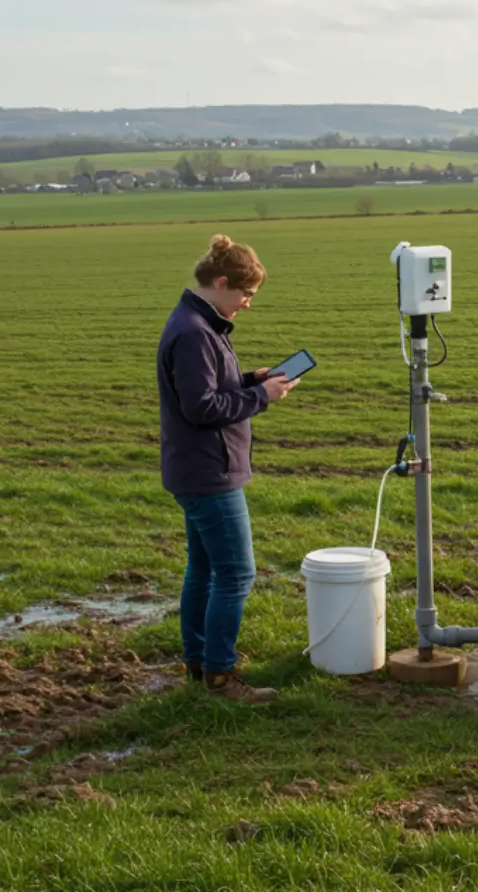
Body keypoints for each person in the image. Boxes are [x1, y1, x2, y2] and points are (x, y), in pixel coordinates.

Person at [157, 234, 299, 703]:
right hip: (209, 474)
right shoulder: (195, 333)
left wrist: (248, 379)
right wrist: (262, 396)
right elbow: (201, 407)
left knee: (203, 571)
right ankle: (220, 678)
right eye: (246, 295)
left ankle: (198, 665)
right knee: (236, 573)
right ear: (221, 283)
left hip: (197, 470)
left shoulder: (199, 324)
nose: (246, 305)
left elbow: (210, 389)